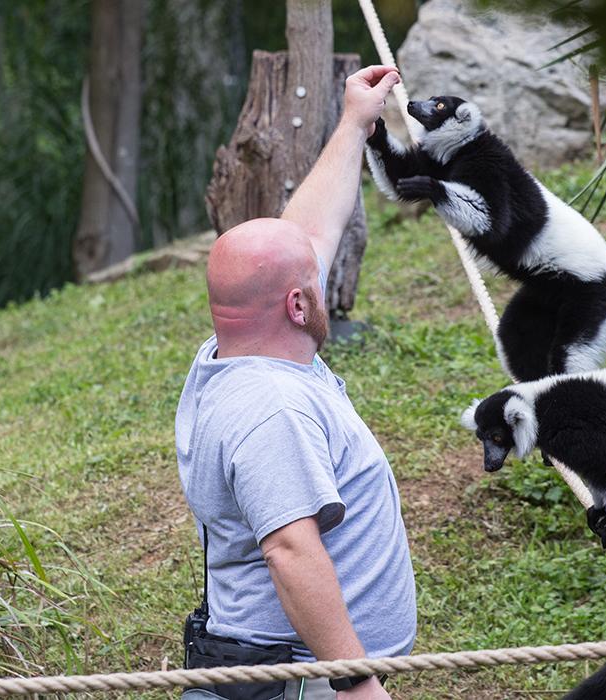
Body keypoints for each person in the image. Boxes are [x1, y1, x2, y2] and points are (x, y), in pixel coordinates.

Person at [175, 65, 412, 700]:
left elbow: (307, 234)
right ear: (298, 307)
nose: (322, 266)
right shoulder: (272, 408)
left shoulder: (231, 355)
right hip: (300, 684)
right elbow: (288, 550)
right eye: (315, 282)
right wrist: (358, 685)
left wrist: (355, 122)